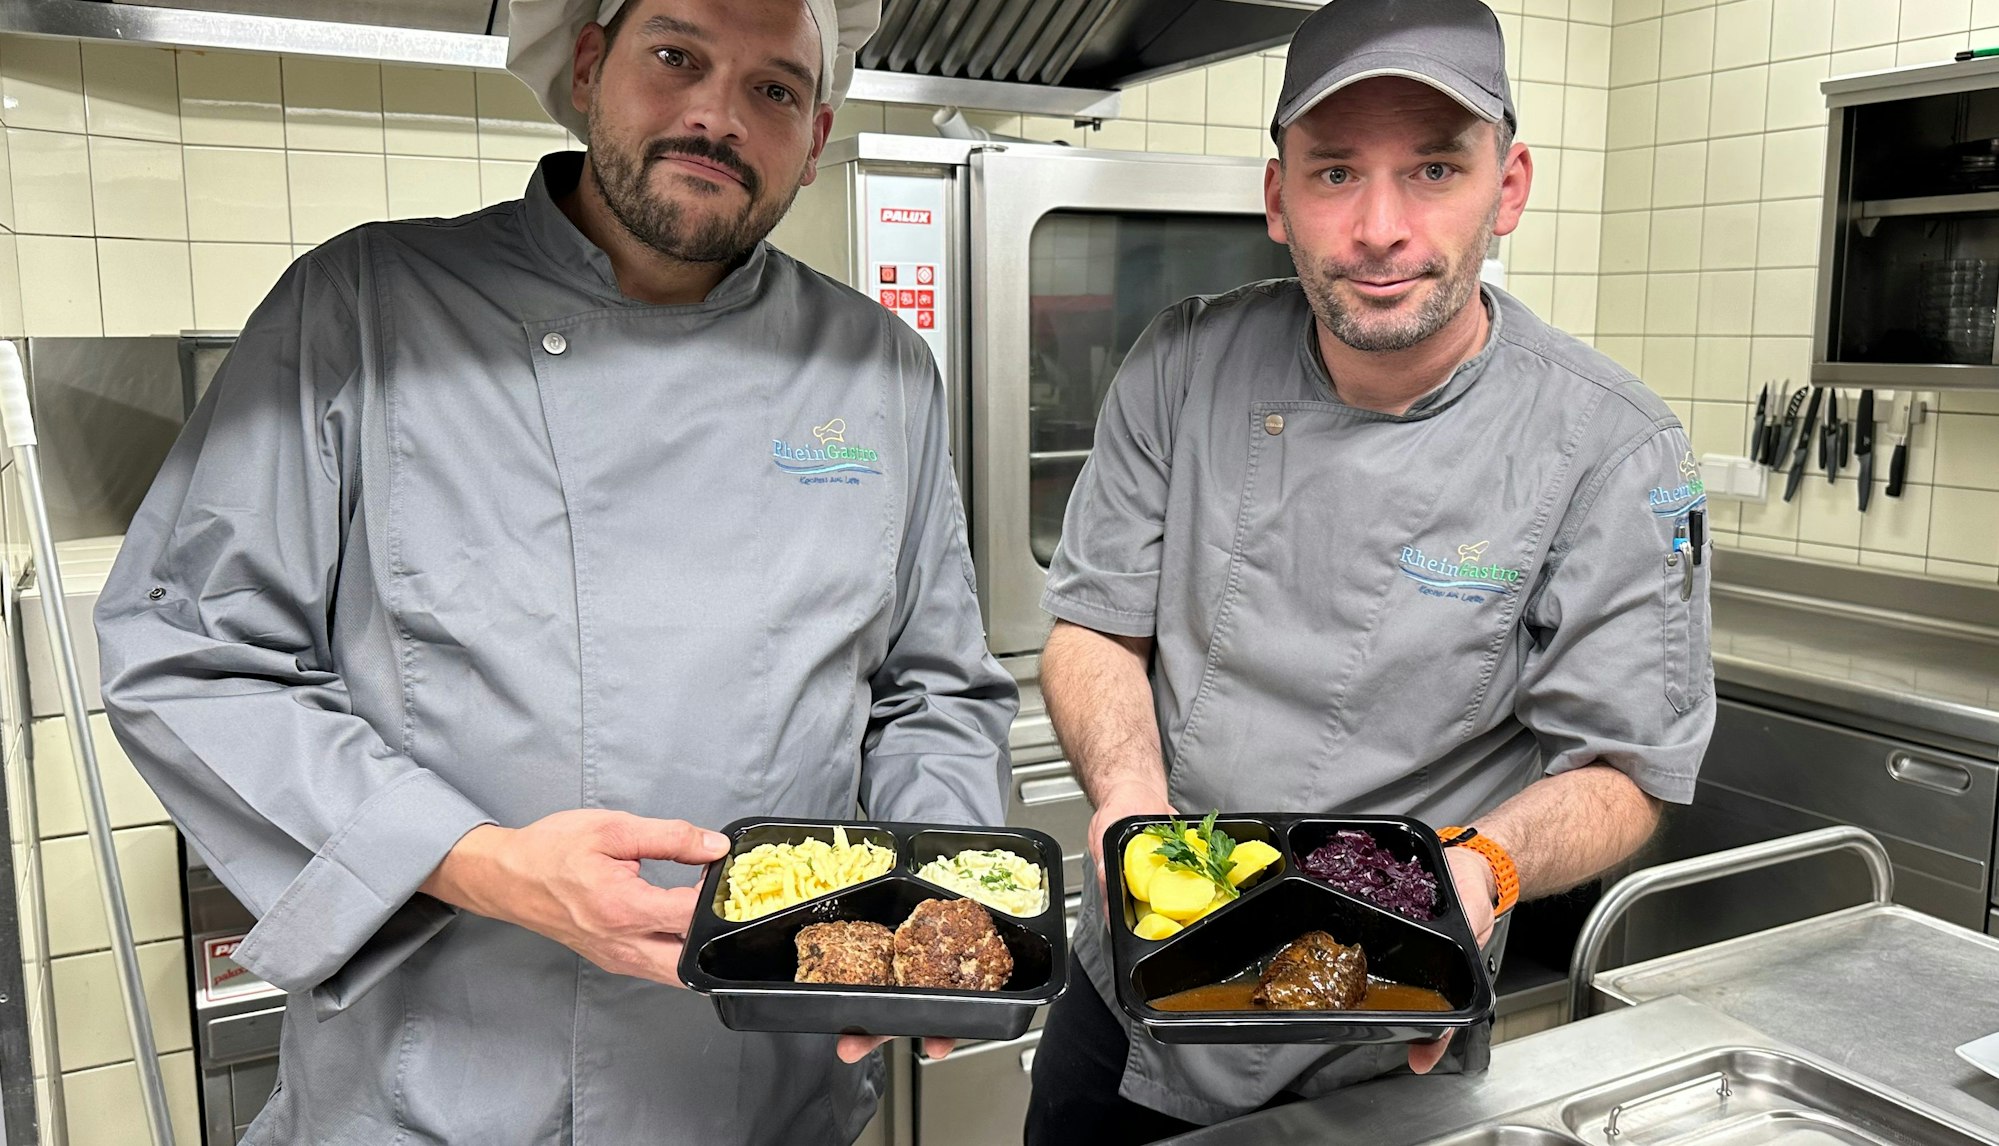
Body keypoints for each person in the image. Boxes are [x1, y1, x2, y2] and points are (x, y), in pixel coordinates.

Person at [94, 0, 1017, 1141]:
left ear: (816, 132)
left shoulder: (876, 365)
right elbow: (189, 655)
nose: (716, 116)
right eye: (675, 56)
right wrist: (481, 865)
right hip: (440, 1090)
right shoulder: (368, 307)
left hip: (762, 1093)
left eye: (774, 89)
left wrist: (943, 911)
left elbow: (931, 693)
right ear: (589, 65)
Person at [1022, 0, 1715, 1140]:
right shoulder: (1180, 366)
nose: (1379, 227)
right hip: (1131, 986)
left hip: (1389, 1020)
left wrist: (1486, 864)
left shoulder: (1619, 452)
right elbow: (1097, 625)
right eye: (1335, 172)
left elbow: (1629, 768)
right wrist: (1129, 812)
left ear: (1509, 187)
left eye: (1434, 168)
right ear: (1276, 197)